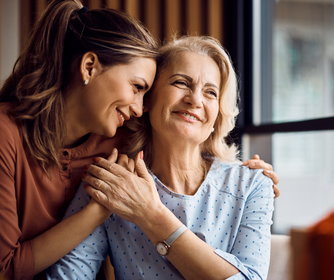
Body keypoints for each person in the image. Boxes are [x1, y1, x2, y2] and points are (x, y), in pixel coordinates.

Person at [0, 1, 279, 279]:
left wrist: (151, 214)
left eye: (211, 92)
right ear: (151, 101)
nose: (195, 100)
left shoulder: (251, 185)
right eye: (180, 82)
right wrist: (103, 209)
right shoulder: (112, 174)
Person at [0, 0, 158, 278]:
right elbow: (6, 269)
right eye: (136, 87)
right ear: (89, 67)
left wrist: (248, 173)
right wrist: (97, 211)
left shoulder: (121, 144)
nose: (137, 108)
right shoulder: (5, 135)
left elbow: (188, 157)